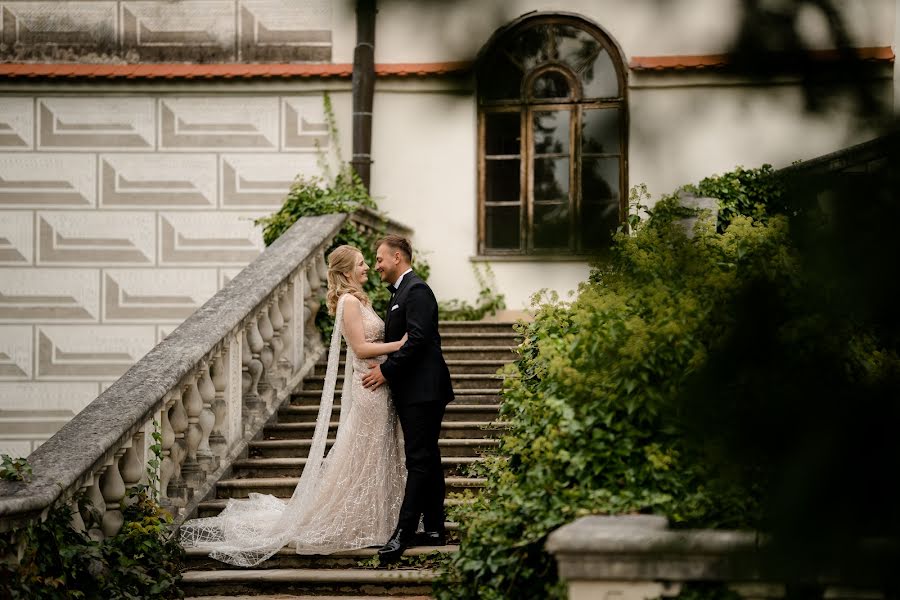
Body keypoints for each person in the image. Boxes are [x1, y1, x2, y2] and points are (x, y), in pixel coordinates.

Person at [179, 245, 408, 567]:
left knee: (372, 453)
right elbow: (360, 347)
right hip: (370, 389)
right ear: (345, 272)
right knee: (365, 454)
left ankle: (378, 517)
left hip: (379, 385)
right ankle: (361, 519)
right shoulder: (349, 302)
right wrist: (399, 345)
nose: (367, 267)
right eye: (360, 264)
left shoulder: (359, 300)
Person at [362, 235, 454, 563]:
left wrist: (386, 371)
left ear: (397, 257)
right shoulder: (401, 292)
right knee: (426, 455)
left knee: (417, 458)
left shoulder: (417, 290)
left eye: (380, 259)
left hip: (424, 391)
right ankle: (433, 528)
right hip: (415, 390)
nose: (376, 265)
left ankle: (403, 532)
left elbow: (416, 340)